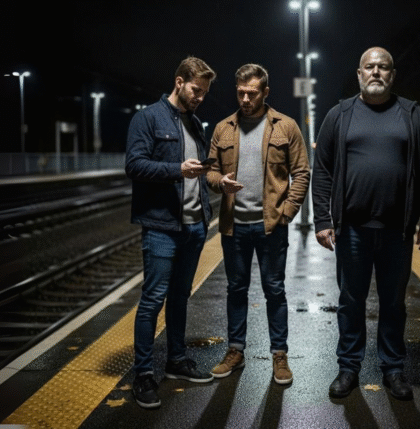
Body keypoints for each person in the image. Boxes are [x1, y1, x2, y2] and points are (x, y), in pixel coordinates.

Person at [312, 47, 420, 400]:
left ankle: (393, 369)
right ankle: (348, 368)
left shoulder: (413, 115)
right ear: (359, 74)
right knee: (350, 301)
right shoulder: (340, 115)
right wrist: (322, 219)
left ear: (392, 74)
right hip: (352, 228)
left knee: (393, 302)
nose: (376, 72)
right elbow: (321, 169)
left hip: (397, 231)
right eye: (369, 67)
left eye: (383, 67)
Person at [206, 63, 310, 385]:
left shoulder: (286, 126)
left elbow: (302, 173)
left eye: (252, 93)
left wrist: (287, 214)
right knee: (236, 289)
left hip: (270, 227)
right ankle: (235, 351)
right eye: (241, 92)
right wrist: (218, 182)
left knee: (274, 290)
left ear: (265, 92)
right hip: (234, 227)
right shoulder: (223, 128)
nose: (246, 98)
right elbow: (209, 171)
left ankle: (279, 355)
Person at [125, 56, 217, 409]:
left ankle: (176, 361)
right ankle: (144, 374)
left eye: (205, 93)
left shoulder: (195, 124)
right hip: (162, 226)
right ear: (179, 82)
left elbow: (199, 171)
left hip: (195, 225)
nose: (200, 97)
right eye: (196, 90)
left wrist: (216, 180)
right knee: (152, 301)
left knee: (180, 298)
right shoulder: (148, 118)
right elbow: (134, 164)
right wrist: (176, 169)